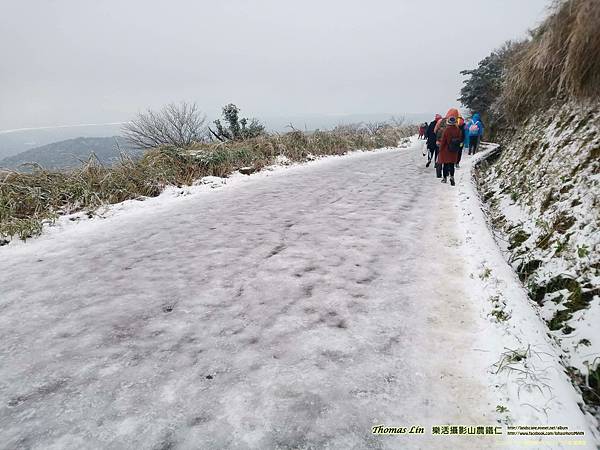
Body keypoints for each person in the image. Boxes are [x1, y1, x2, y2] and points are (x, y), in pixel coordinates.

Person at [438, 115, 462, 186]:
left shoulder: (446, 130)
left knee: (445, 165)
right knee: (452, 165)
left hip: (446, 150)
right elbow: (460, 139)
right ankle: (452, 177)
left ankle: (444, 178)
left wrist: (440, 149)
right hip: (454, 150)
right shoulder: (458, 130)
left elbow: (443, 141)